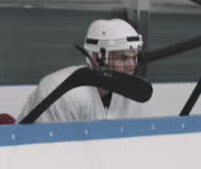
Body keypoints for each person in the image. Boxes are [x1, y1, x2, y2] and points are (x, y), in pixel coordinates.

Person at [18, 18, 146, 123]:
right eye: (122, 58)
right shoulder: (61, 92)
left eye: (134, 57)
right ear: (96, 58)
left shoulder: (131, 94)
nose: (132, 65)